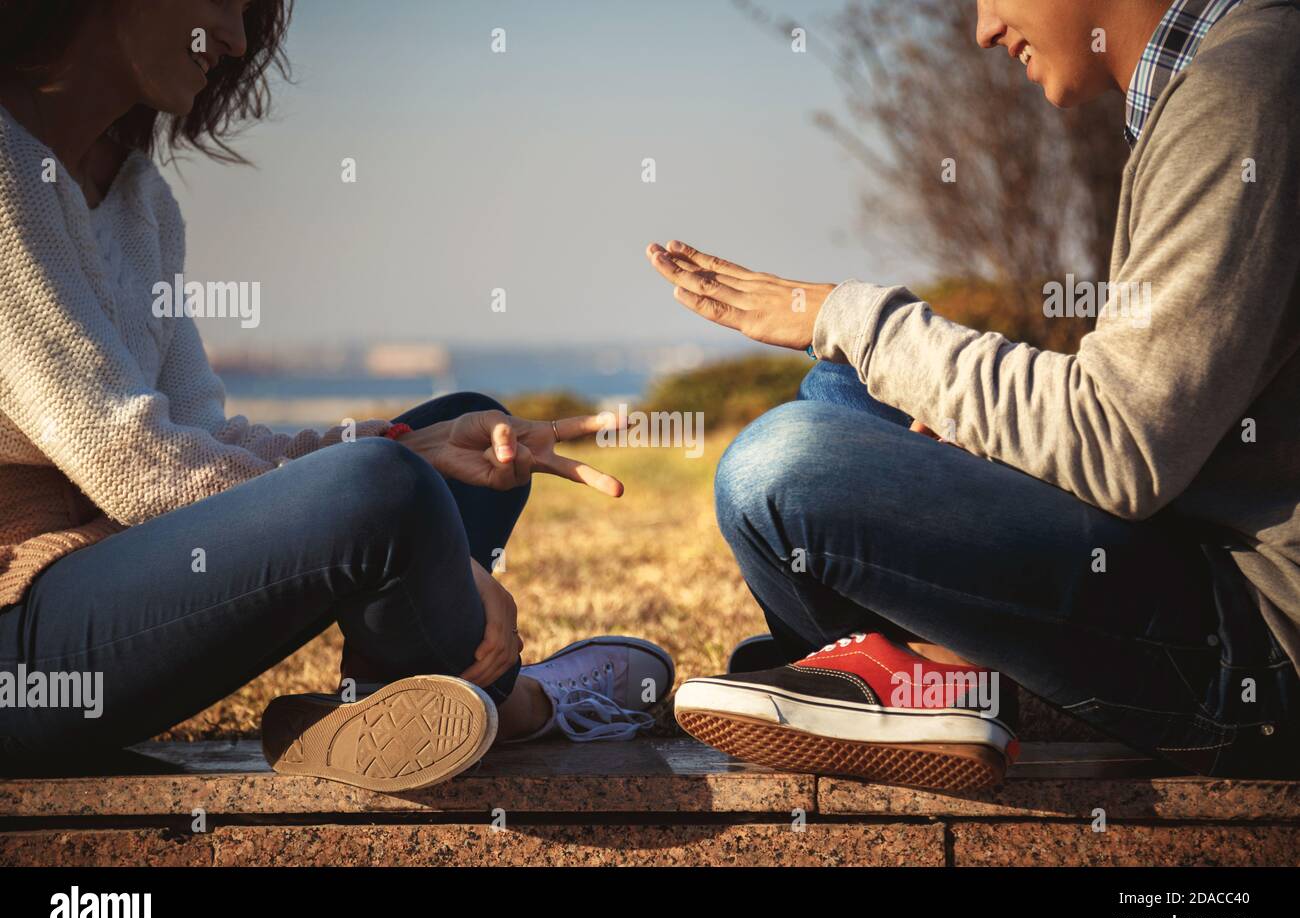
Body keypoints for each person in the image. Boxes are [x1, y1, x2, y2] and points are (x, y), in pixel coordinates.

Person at [0, 0, 673, 793]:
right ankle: (526, 703)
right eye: (223, 1)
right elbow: (135, 463)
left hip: (103, 607)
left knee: (457, 431)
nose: (237, 39)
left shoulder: (140, 201)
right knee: (387, 484)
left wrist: (409, 447)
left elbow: (197, 435)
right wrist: (417, 517)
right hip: (24, 654)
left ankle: (383, 713)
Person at [652, 0, 1300, 790]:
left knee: (777, 469)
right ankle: (933, 674)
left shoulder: (1245, 86)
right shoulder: (1219, 80)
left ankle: (926, 676)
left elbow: (1123, 444)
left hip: (1261, 648)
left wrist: (844, 314)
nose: (986, 29)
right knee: (843, 394)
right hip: (1190, 546)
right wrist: (981, 434)